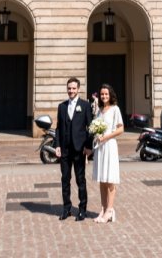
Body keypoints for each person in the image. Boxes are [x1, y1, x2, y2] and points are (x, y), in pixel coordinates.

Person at [53, 77, 93, 221]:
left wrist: (88, 147)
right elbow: (58, 128)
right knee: (65, 179)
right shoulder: (61, 106)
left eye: (74, 88)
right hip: (65, 149)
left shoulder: (85, 105)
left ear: (78, 89)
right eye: (69, 88)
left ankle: (82, 210)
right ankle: (66, 209)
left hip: (79, 149)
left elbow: (91, 128)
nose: (71, 91)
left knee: (80, 180)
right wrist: (57, 145)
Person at [92, 83, 124, 223]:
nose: (104, 96)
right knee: (102, 180)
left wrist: (106, 137)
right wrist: (97, 135)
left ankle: (110, 210)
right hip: (100, 147)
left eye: (106, 94)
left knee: (110, 179)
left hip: (109, 146)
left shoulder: (115, 109)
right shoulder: (99, 110)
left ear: (110, 95)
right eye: (102, 94)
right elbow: (96, 128)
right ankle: (104, 208)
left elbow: (120, 129)